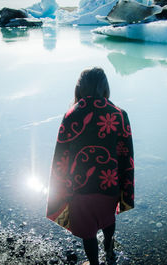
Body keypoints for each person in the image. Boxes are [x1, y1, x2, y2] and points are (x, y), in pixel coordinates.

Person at [46, 67, 134, 265]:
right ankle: (110, 251)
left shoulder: (71, 115)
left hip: (79, 187)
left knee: (87, 232)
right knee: (109, 219)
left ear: (79, 88)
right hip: (109, 184)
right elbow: (126, 154)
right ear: (105, 88)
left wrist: (59, 190)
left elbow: (62, 155)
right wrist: (124, 187)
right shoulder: (119, 114)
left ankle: (94, 263)